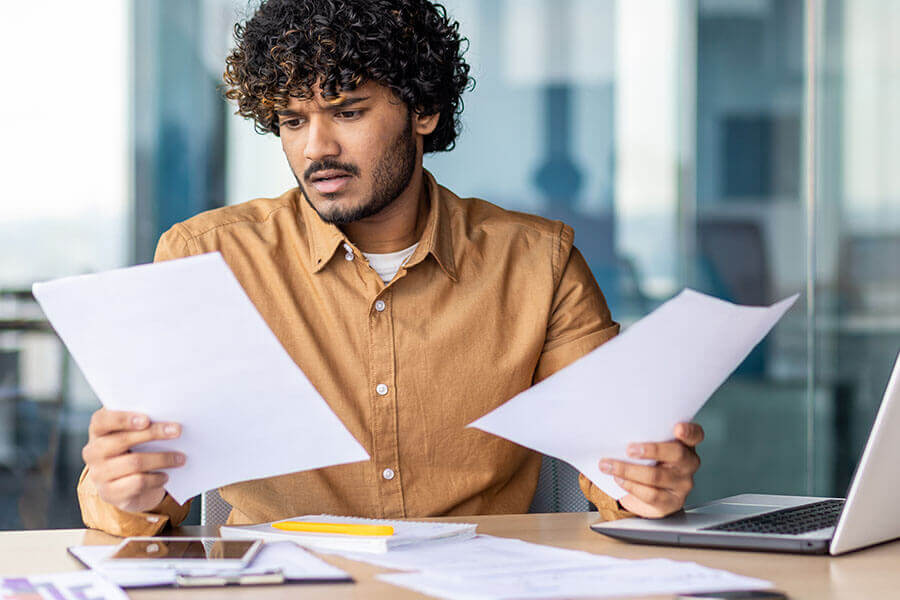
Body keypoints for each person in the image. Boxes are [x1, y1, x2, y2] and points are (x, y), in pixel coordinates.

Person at [78, 0, 704, 537]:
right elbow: (146, 495)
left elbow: (615, 462)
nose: (315, 147)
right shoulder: (207, 258)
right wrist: (125, 490)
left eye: (347, 111)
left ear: (423, 111)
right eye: (294, 121)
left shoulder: (538, 262)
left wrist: (647, 485)